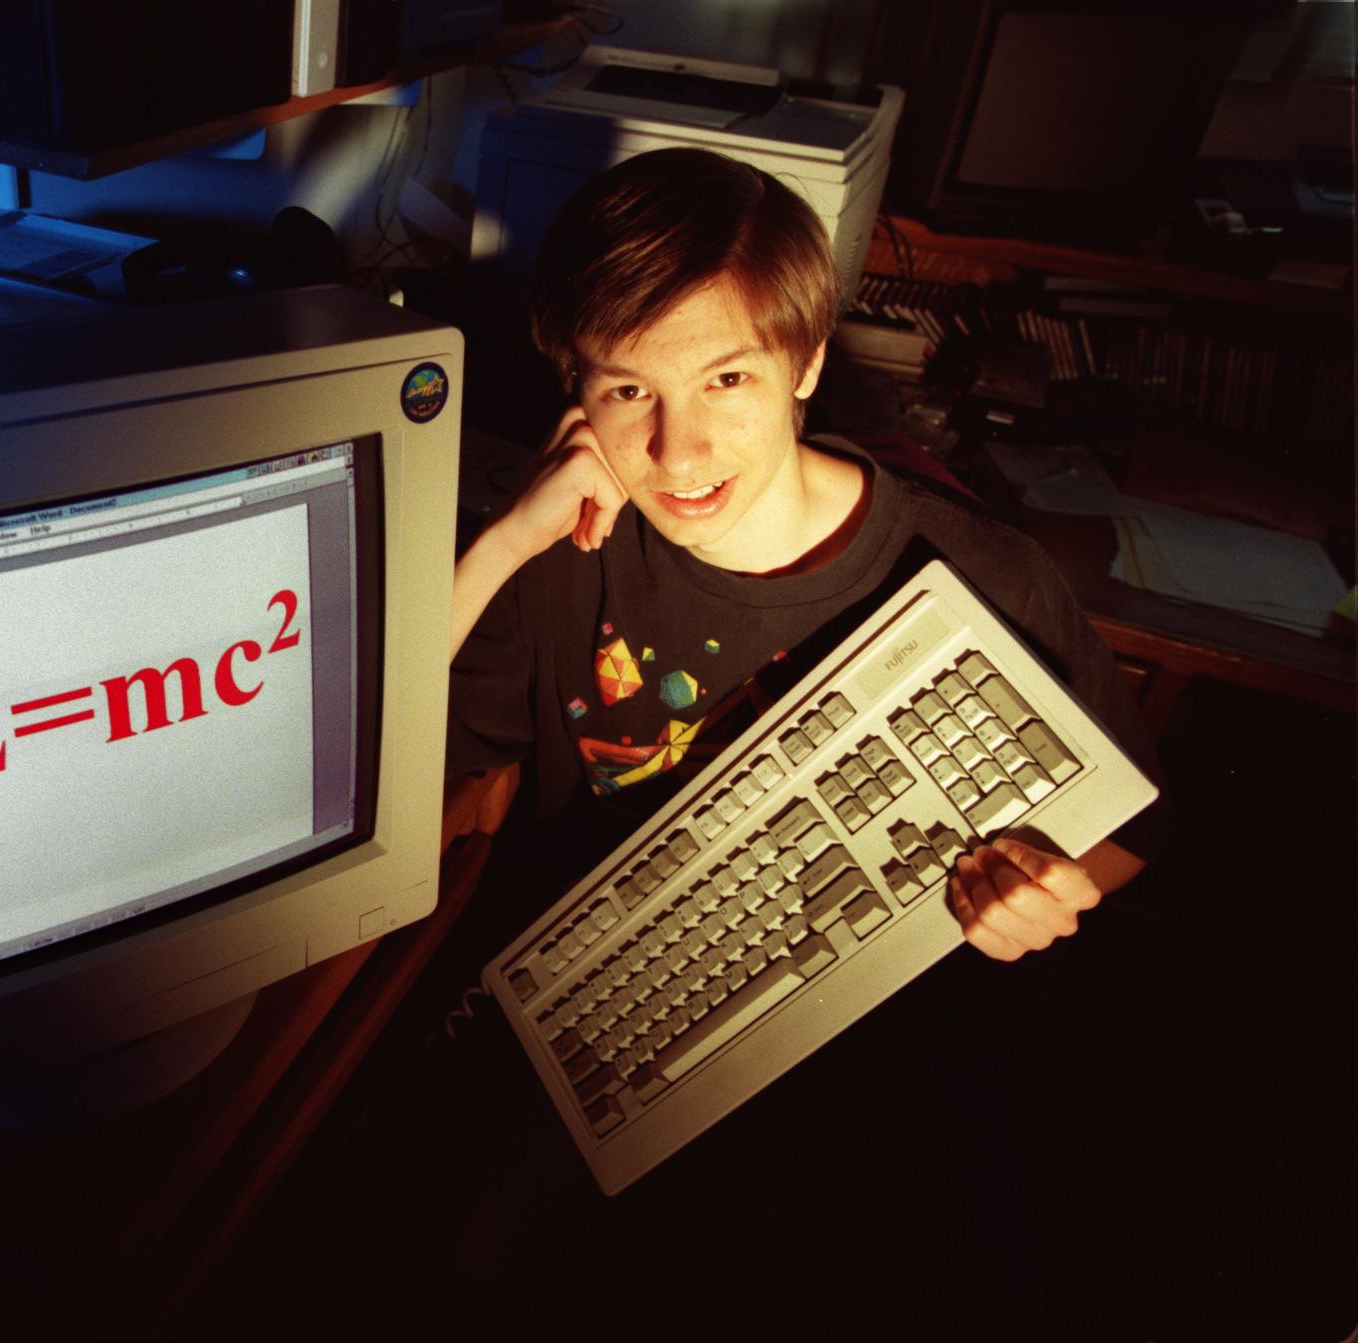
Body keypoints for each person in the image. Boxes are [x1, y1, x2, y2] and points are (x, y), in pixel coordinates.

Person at [449, 147, 1160, 951]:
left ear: (807, 362)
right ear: (575, 394)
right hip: (577, 978)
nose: (677, 453)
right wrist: (503, 543)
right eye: (629, 389)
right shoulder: (561, 545)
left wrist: (1041, 883)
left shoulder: (991, 572)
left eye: (727, 381)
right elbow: (376, 764)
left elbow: (1131, 832)